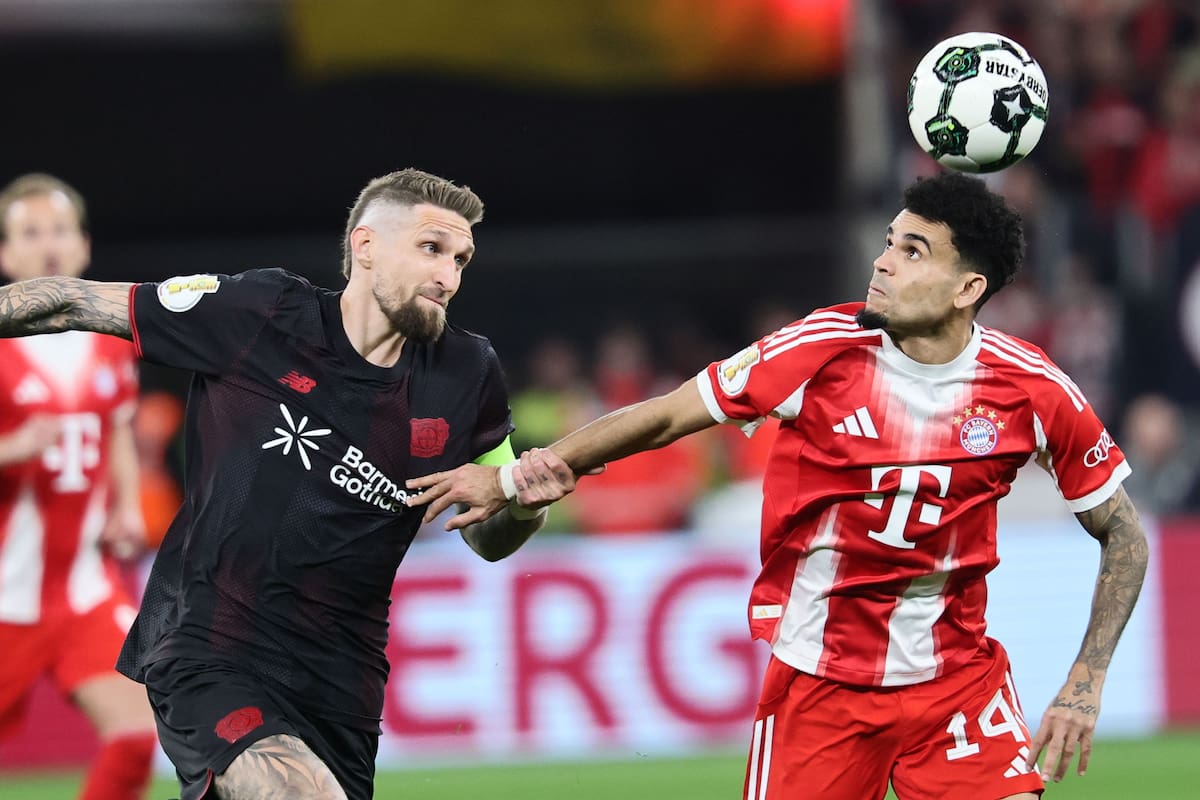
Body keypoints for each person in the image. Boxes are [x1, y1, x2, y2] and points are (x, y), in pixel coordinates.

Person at [408, 172, 1151, 800]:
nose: (883, 262)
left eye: (912, 251)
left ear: (969, 288)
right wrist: (514, 477)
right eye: (889, 241)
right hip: (820, 687)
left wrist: (1084, 684)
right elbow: (666, 416)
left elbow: (1124, 532)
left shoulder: (1030, 388)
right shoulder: (822, 348)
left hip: (956, 686)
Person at [0, 168, 551, 800]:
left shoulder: (467, 373)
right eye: (431, 248)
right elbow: (71, 302)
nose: (448, 277)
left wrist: (521, 504)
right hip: (208, 650)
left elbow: (487, 536)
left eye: (460, 260)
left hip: (342, 689)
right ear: (366, 246)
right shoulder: (260, 313)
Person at [0, 174, 157, 799]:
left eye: (61, 230)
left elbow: (116, 426)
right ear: (6, 253)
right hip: (6, 597)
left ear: (84, 246)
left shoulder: (109, 340)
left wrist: (126, 506)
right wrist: (12, 449)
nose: (49, 245)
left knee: (138, 736)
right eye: (31, 233)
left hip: (85, 589)